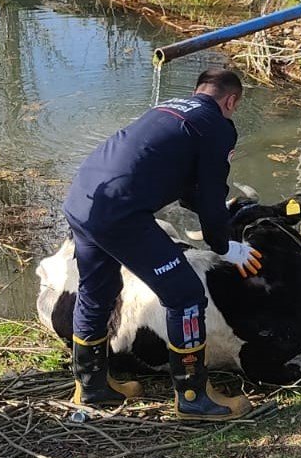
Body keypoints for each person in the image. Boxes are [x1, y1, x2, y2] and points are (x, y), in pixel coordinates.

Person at [62, 67, 262, 420]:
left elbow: (185, 187)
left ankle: (91, 388)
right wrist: (226, 245)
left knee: (98, 289)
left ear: (198, 90)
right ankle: (193, 397)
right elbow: (209, 194)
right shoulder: (217, 126)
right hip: (120, 213)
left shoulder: (167, 108)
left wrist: (217, 208)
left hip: (82, 199)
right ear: (231, 101)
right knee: (185, 295)